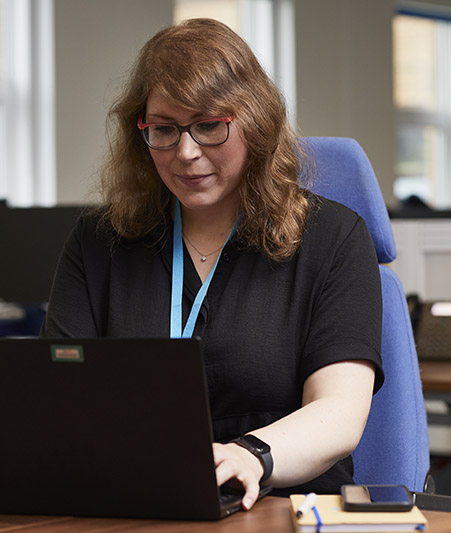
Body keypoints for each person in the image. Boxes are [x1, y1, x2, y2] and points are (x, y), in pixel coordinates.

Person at [41, 18, 383, 510]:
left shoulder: (332, 238)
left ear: (256, 122)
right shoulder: (100, 242)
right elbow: (56, 394)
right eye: (164, 129)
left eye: (209, 126)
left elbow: (340, 411)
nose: (186, 152)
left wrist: (252, 456)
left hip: (280, 505)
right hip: (135, 503)